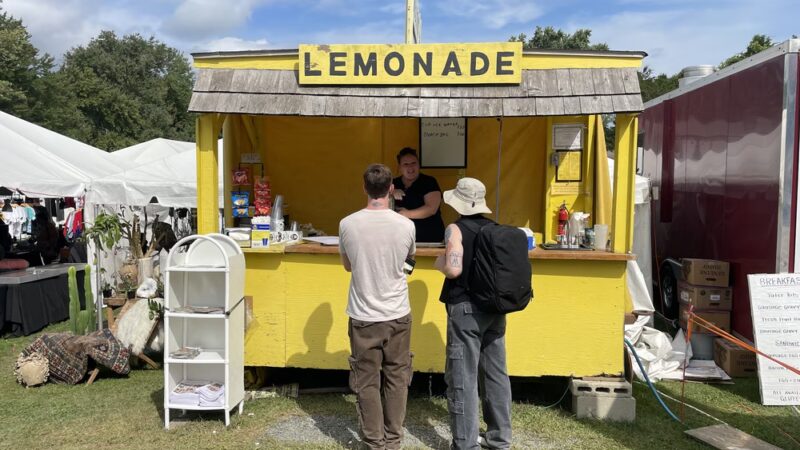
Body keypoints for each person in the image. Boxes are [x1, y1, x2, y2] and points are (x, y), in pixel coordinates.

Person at [339, 163, 416, 450]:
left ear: (364, 188)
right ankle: (393, 440)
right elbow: (409, 263)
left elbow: (348, 266)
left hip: (363, 315)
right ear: (391, 189)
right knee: (397, 377)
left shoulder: (347, 224)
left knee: (366, 380)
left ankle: (374, 442)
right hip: (397, 312)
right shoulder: (407, 225)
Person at [435, 178, 512, 450]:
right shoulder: (494, 228)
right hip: (495, 310)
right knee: (495, 375)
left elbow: (454, 269)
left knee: (463, 377)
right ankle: (499, 439)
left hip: (465, 310)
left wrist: (440, 263)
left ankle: (465, 444)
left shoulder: (455, 228)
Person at [392, 147, 445, 242]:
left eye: (413, 163)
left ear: (419, 165)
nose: (410, 167)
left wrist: (405, 214)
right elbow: (380, 200)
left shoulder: (429, 182)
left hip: (429, 239)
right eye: (406, 164)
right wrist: (391, 191)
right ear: (399, 167)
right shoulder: (392, 183)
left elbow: (431, 208)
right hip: (401, 240)